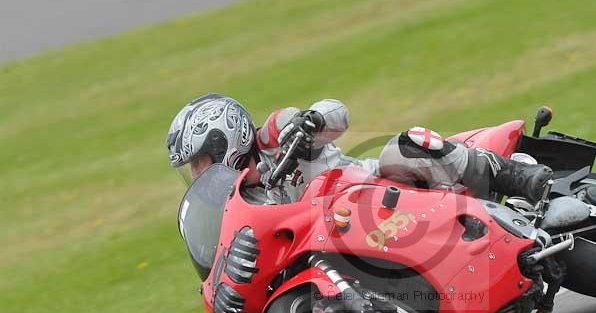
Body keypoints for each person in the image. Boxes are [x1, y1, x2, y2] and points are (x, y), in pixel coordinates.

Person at [166, 93, 552, 205]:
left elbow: (339, 113)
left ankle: (516, 176)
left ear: (225, 142)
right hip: (338, 237)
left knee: (402, 148)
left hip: (378, 189)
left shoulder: (274, 133)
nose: (198, 175)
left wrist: (311, 120)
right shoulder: (237, 205)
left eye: (200, 162)